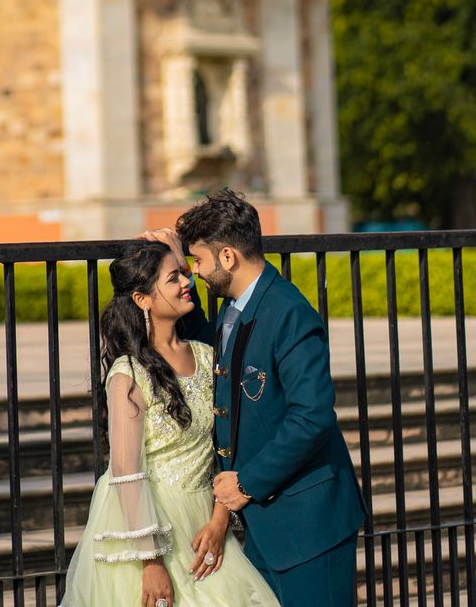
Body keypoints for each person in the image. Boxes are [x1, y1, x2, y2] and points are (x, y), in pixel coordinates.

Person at [147, 190, 365, 607]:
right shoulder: (236, 305)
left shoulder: (290, 313)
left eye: (198, 262)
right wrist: (173, 255)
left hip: (309, 523)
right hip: (266, 526)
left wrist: (246, 482)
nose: (195, 274)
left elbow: (312, 417)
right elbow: (211, 349)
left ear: (228, 257)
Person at [60, 241, 279, 607]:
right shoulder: (128, 373)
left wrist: (220, 519)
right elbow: (126, 471)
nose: (186, 282)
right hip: (149, 523)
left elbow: (229, 446)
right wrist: (151, 562)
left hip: (206, 521)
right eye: (173, 277)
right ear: (143, 299)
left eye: (184, 273)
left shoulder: (210, 356)